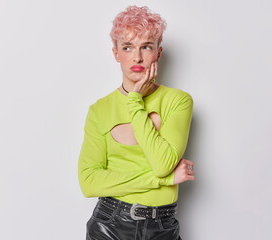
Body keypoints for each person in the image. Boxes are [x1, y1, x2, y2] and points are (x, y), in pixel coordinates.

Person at [78, 5, 195, 240]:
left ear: (158, 53)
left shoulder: (178, 101)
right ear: (116, 53)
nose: (137, 57)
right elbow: (89, 182)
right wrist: (163, 180)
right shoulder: (99, 110)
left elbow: (163, 164)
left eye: (146, 47)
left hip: (162, 227)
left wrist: (134, 101)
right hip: (109, 225)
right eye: (128, 47)